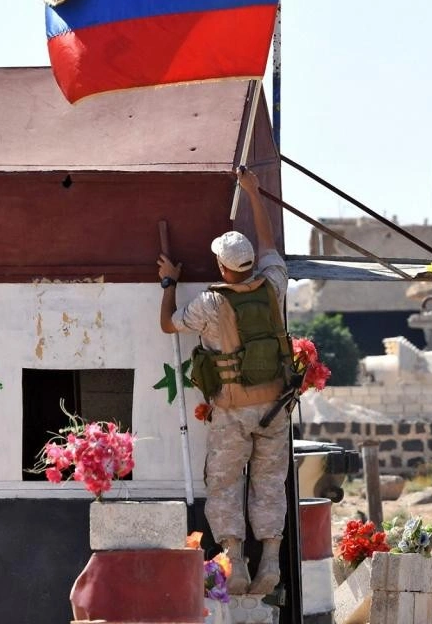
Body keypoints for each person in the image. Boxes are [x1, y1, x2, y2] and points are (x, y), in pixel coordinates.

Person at [157, 167, 290, 596]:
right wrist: (253, 192)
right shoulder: (274, 286)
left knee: (225, 483)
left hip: (232, 412)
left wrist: (169, 282)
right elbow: (269, 244)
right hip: (276, 406)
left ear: (221, 266)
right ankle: (270, 561)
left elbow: (168, 324)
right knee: (269, 483)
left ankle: (236, 562)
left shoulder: (210, 303)